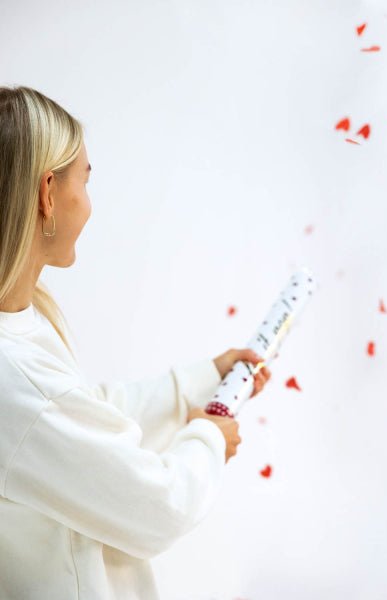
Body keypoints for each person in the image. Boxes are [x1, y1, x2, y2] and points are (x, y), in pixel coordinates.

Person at [0, 85, 271, 600]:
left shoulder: (20, 326)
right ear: (47, 193)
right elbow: (161, 507)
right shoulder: (14, 378)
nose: (90, 205)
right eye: (85, 180)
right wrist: (210, 438)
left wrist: (198, 382)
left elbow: (81, 412)